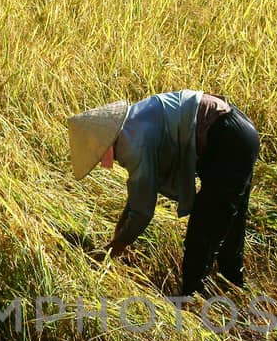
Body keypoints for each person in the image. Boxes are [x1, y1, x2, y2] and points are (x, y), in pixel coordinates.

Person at [65, 90, 259, 297]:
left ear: (101, 143)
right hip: (239, 132)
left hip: (227, 141)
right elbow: (138, 194)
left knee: (202, 235)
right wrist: (120, 235)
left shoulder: (132, 144)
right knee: (229, 226)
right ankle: (235, 290)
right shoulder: (132, 121)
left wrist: (112, 250)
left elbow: (142, 210)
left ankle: (191, 304)